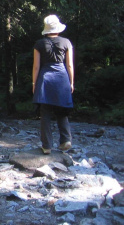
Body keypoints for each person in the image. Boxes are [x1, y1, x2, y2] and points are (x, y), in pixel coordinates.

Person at [32, 15, 74, 155]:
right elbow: (69, 64)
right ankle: (65, 140)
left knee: (45, 113)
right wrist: (71, 82)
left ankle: (47, 146)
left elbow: (36, 67)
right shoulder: (66, 42)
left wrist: (34, 83)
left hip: (46, 79)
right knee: (62, 110)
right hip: (62, 78)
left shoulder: (39, 44)